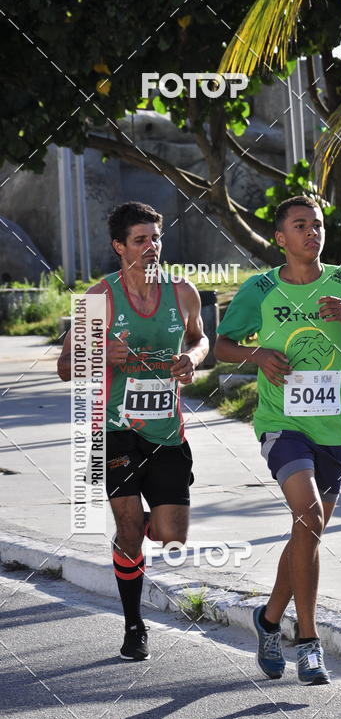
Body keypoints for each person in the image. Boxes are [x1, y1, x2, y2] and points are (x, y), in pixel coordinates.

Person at [214, 195, 341, 685]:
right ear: (280, 238)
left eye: (317, 225)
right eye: (300, 225)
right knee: (308, 518)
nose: (312, 232)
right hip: (282, 423)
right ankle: (309, 644)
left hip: (335, 428)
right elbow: (223, 345)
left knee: (305, 533)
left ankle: (269, 619)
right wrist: (258, 355)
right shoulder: (261, 288)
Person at [57, 201, 208, 660]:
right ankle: (134, 625)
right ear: (119, 246)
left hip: (166, 431)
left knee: (170, 535)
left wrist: (193, 360)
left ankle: (133, 536)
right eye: (140, 240)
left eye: (155, 239)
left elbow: (200, 338)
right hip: (116, 431)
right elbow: (66, 367)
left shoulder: (183, 292)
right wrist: (101, 356)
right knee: (128, 527)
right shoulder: (98, 299)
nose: (151, 247)